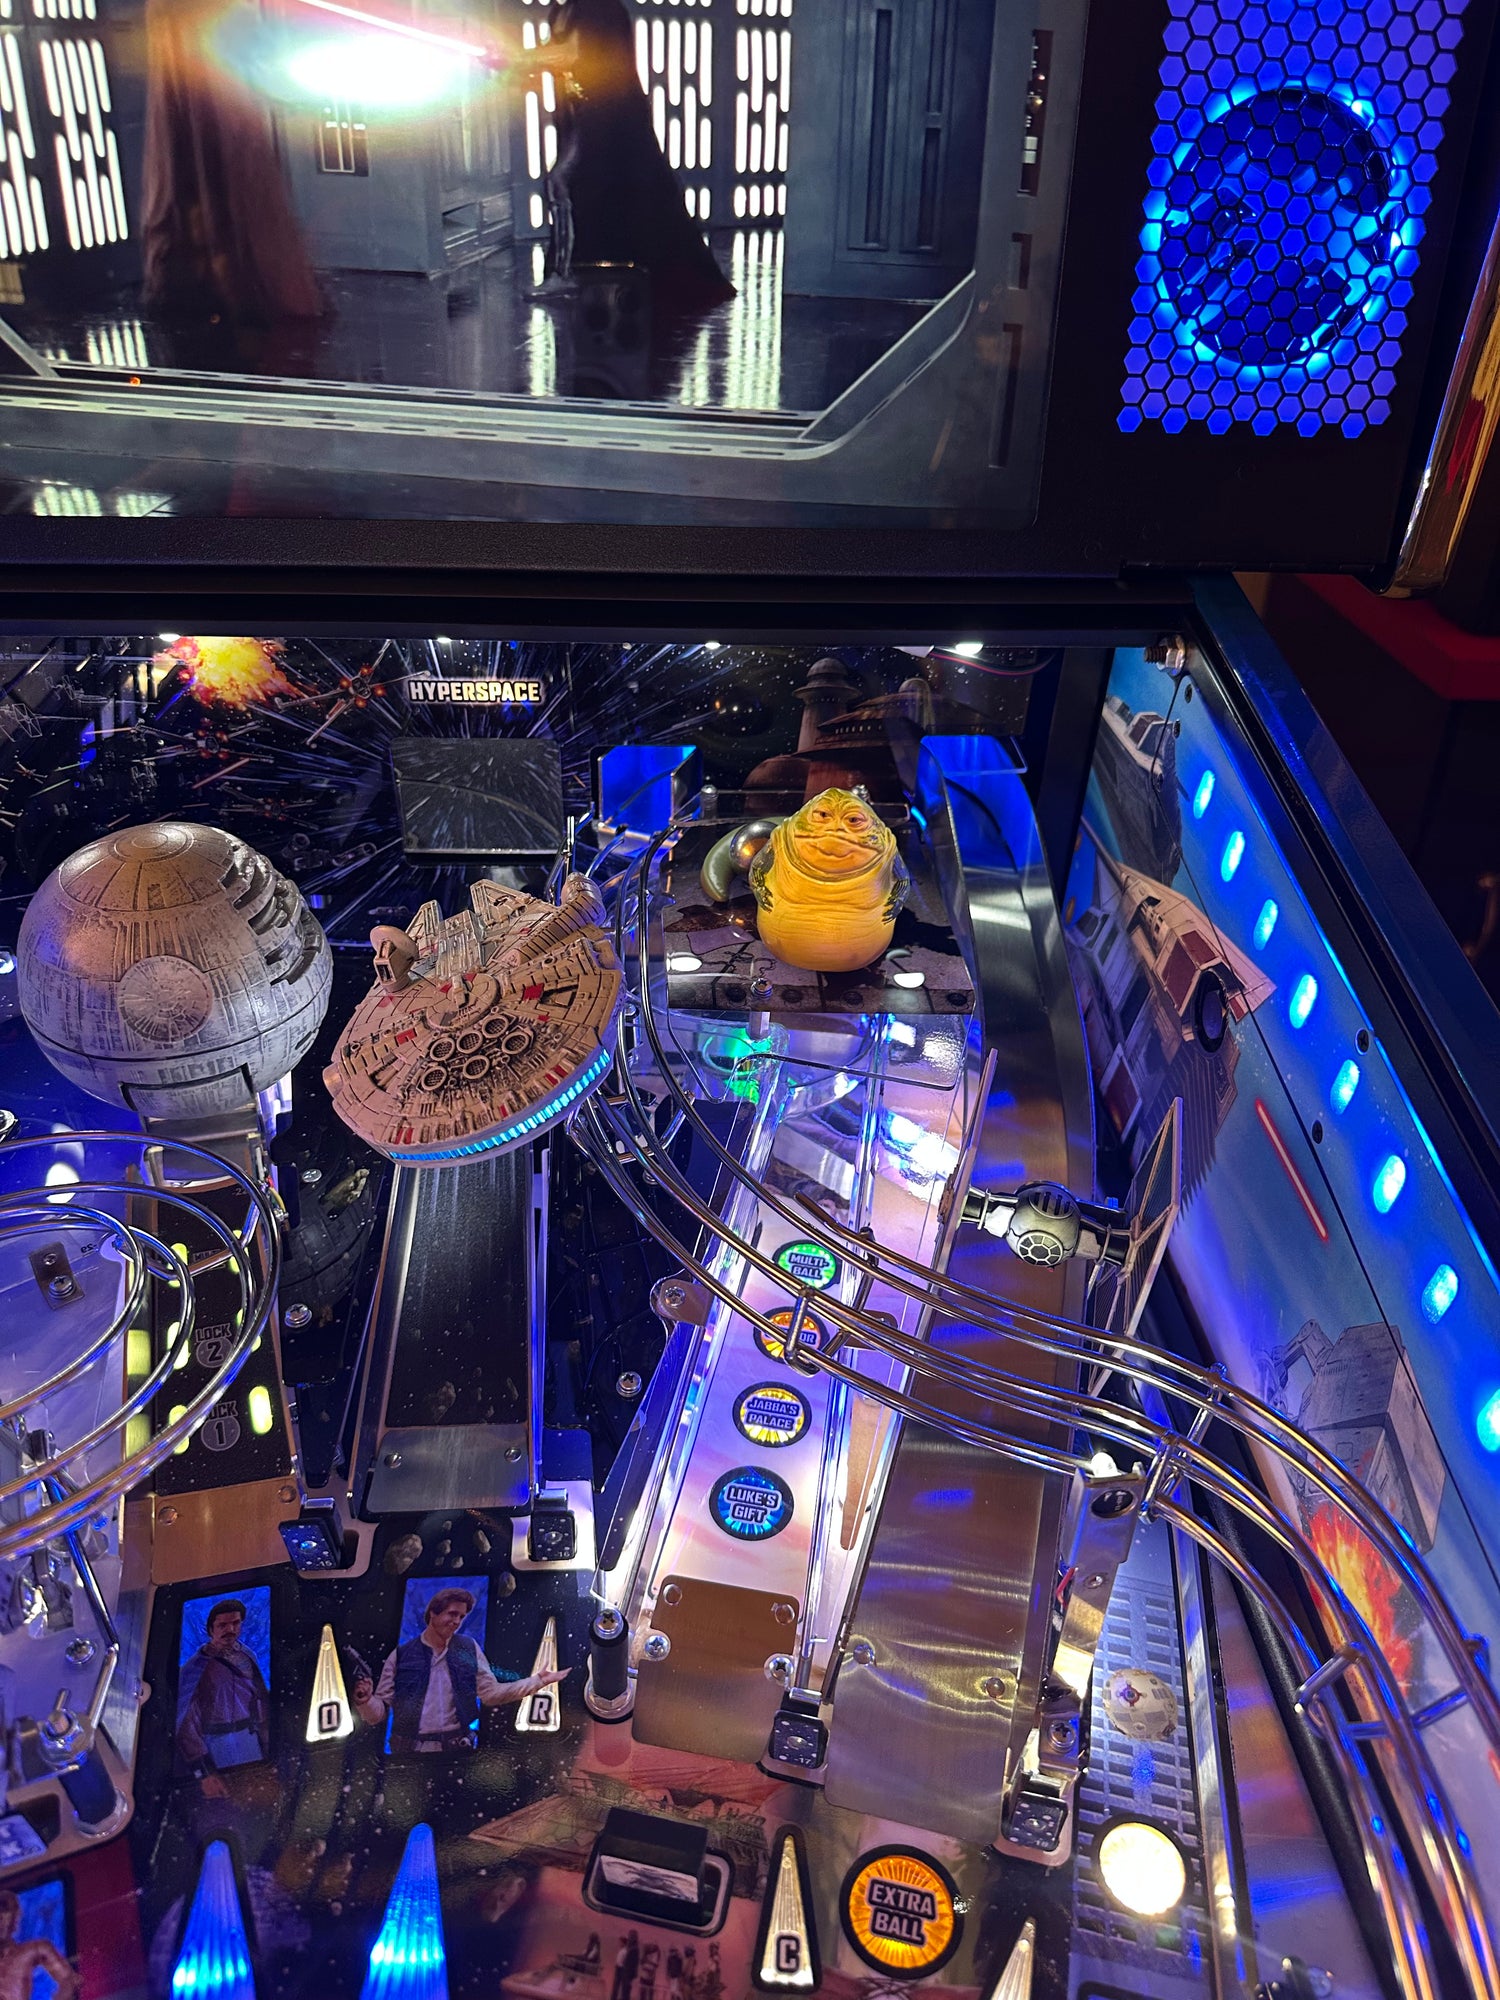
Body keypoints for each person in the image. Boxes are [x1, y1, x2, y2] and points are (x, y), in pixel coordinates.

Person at [535, 0, 733, 308]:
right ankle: (573, 273)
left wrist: (518, 58)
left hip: (608, 116)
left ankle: (568, 275)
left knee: (567, 183)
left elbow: (575, 54)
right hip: (585, 113)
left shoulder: (599, 8)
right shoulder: (568, 9)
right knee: (574, 188)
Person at [351, 1587, 569, 1754]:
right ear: (433, 1613)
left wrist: (537, 1681)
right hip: (409, 1751)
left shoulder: (468, 1648)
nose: (456, 1622)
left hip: (458, 1748)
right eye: (452, 1614)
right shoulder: (401, 1655)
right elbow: (378, 1714)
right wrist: (365, 1700)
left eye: (461, 1617)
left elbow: (491, 1694)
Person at [176, 1598, 270, 1796]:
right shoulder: (195, 1667)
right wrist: (202, 1770)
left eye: (236, 1623)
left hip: (250, 1738)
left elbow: (261, 1699)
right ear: (211, 1629)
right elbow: (186, 1718)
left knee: (256, 1794)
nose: (230, 1629)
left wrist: (268, 1739)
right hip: (217, 1743)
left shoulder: (247, 1656)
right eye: (223, 1625)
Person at [0, 1891, 76, 2000]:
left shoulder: (34, 1949)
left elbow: (68, 1980)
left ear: (16, 1918)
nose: (1, 1919)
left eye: (5, 1911)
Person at [608, 1930, 640, 2000]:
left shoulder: (634, 1949)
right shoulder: (630, 1948)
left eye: (630, 1936)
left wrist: (631, 1973)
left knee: (626, 1991)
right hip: (625, 1972)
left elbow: (633, 1963)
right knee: (624, 1990)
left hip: (628, 1973)